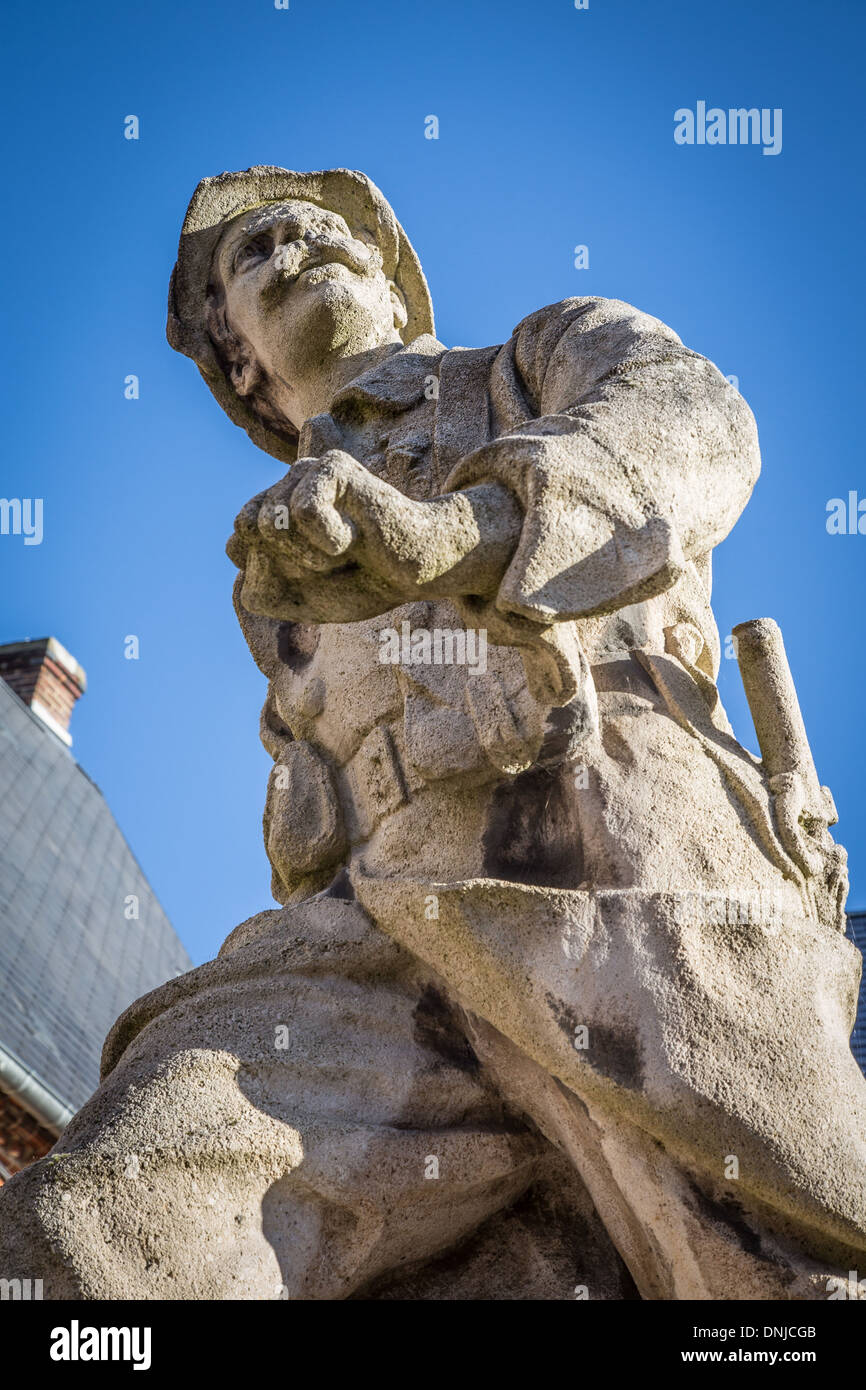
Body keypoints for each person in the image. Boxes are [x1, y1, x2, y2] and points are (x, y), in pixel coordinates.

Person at [0, 167, 862, 1300]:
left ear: (394, 291)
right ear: (242, 364)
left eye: (328, 232)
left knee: (780, 1272)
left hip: (611, 852)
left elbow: (695, 425)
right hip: (372, 941)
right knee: (97, 1230)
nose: (298, 242)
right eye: (256, 255)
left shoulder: (538, 358)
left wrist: (461, 532)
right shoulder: (274, 579)